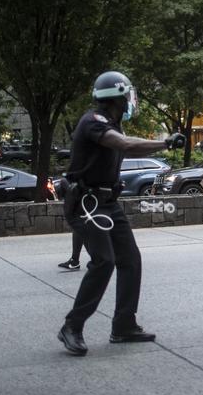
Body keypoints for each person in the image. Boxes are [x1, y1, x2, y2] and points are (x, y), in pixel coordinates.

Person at [58, 71, 185, 356]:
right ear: (116, 97)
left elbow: (124, 150)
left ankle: (123, 324)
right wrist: (166, 143)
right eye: (127, 95)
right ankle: (72, 326)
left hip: (107, 202)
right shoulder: (94, 122)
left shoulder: (112, 124)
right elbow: (125, 145)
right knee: (104, 262)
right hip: (86, 203)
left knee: (130, 259)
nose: (130, 101)